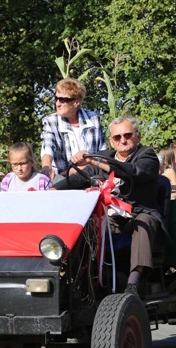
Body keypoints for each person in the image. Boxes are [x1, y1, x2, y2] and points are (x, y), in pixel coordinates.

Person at [52, 116, 163, 298]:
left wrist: (94, 161)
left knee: (143, 223)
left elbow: (133, 172)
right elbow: (79, 178)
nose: (123, 140)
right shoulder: (104, 156)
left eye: (127, 135)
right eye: (117, 137)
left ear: (138, 136)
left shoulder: (147, 155)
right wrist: (52, 189)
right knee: (85, 225)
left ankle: (133, 284)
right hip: (111, 217)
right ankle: (78, 279)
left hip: (139, 214)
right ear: (111, 141)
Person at [40, 78, 106, 181]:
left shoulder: (93, 119)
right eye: (56, 98)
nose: (57, 103)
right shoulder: (51, 121)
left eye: (62, 99)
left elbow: (102, 153)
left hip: (92, 175)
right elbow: (47, 147)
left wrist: (78, 170)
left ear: (76, 103)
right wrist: (46, 168)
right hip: (61, 177)